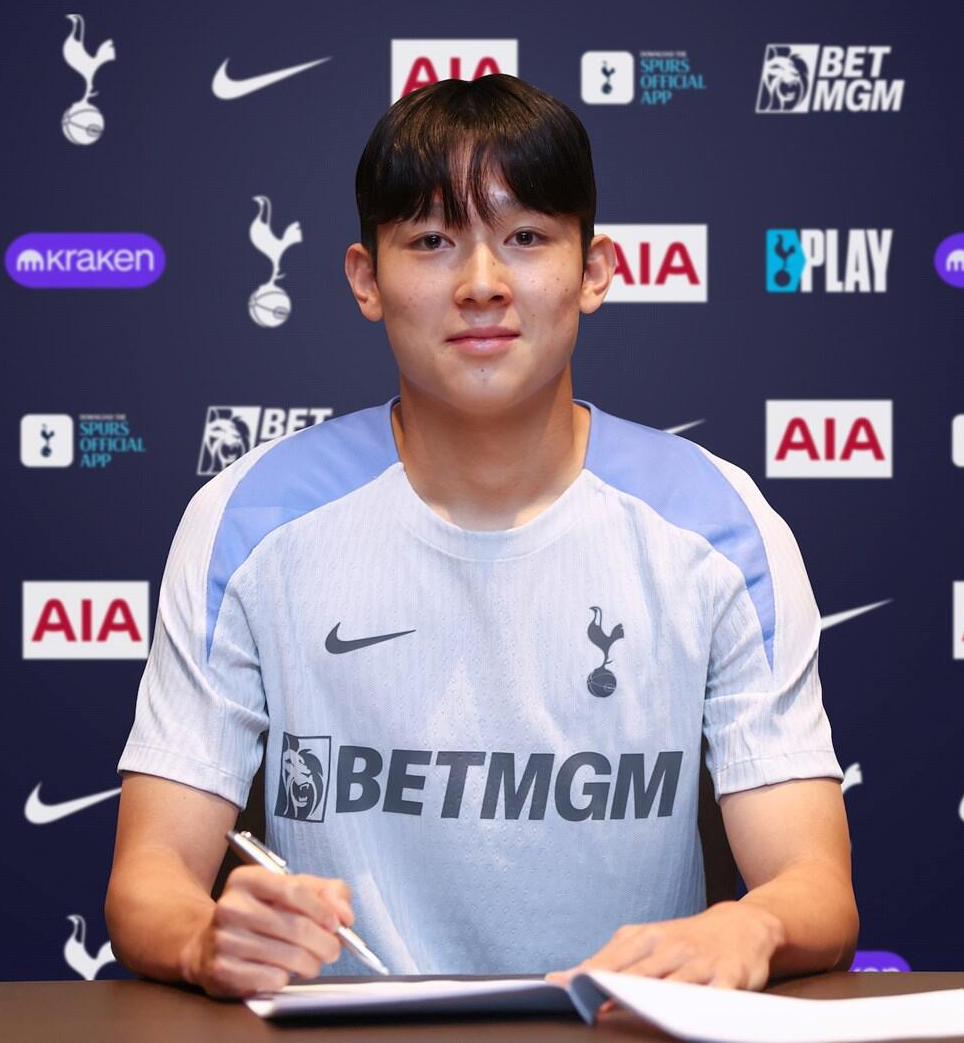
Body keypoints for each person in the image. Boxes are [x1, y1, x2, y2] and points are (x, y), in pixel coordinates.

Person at [105, 73, 857, 1000]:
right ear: (365, 279)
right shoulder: (249, 519)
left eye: (526, 238)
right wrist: (203, 938)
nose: (482, 286)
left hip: (617, 1034)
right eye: (430, 242)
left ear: (595, 270)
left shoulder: (718, 525)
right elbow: (149, 879)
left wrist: (753, 923)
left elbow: (815, 885)